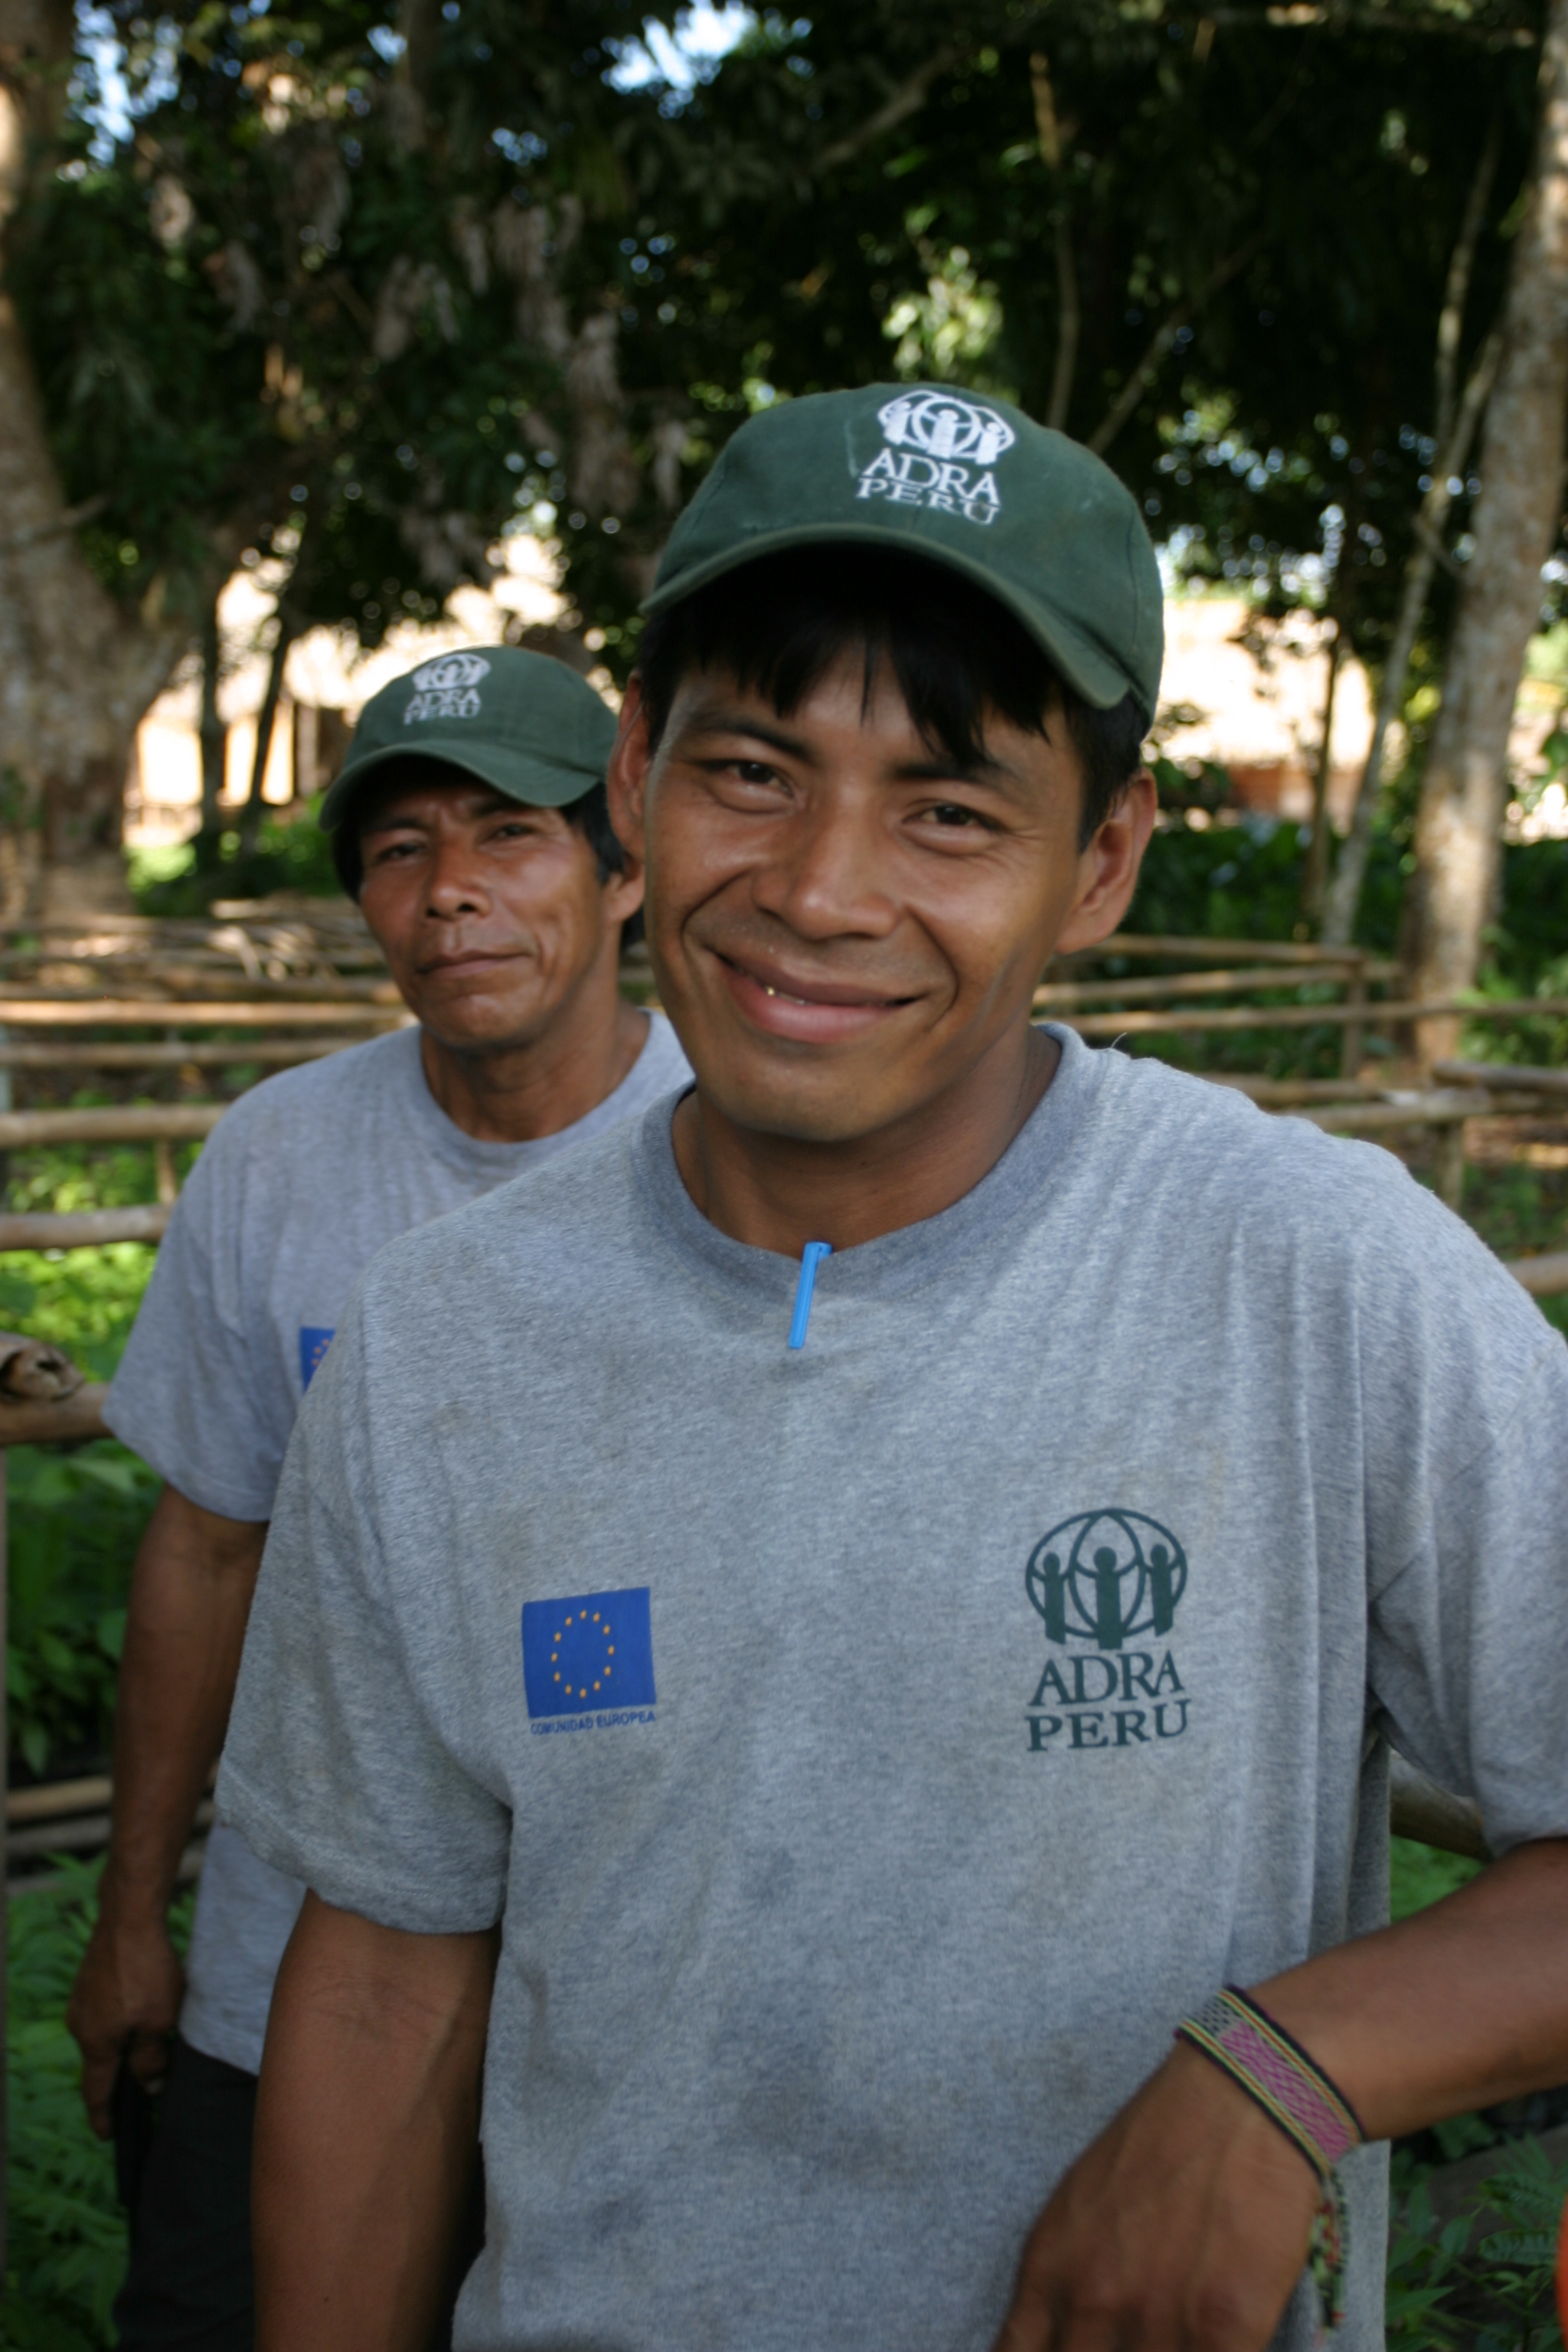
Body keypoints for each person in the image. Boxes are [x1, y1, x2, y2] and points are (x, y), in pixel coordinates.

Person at [218, 387, 1568, 2352]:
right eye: (751, 772)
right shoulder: (443, 1338)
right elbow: (381, 1986)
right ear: (636, 778)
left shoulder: (1311, 1274)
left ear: (1099, 862)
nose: (821, 888)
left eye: (948, 810)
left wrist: (1289, 2068)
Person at [68, 644, 691, 2349]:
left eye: (509, 833)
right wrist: (135, 1915)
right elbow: (208, 1548)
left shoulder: (741, 1149)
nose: (450, 891)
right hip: (293, 1967)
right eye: (402, 848)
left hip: (625, 1989)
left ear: (624, 869)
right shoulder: (283, 1156)